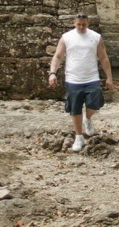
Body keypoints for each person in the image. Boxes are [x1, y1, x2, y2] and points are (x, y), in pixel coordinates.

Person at [48, 13, 114, 152]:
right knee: (75, 108)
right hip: (73, 79)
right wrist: (52, 73)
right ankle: (79, 136)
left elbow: (103, 57)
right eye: (79, 24)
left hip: (92, 78)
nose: (81, 27)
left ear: (88, 23)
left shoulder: (95, 37)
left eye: (84, 24)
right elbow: (58, 56)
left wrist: (109, 77)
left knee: (95, 103)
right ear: (74, 23)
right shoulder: (67, 37)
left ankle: (88, 118)